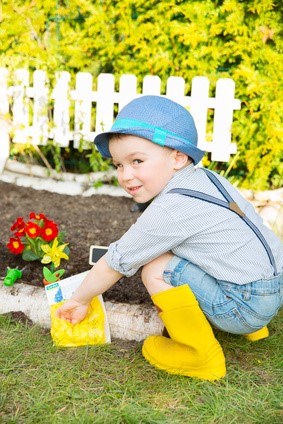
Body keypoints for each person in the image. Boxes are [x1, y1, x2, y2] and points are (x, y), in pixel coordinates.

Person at [55, 95, 283, 381]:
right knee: (194, 249)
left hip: (243, 305)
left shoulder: (170, 211)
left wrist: (80, 299)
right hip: (272, 285)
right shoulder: (209, 180)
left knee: (154, 266)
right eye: (118, 165)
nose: (125, 175)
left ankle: (199, 355)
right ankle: (255, 328)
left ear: (178, 157)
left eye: (137, 160)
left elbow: (117, 260)